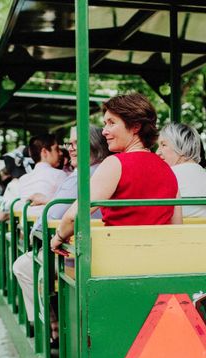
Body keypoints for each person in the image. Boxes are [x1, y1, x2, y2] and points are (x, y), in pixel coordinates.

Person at [12, 126, 110, 339]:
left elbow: (52, 215)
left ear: (91, 146)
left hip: (78, 252)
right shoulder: (108, 170)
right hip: (105, 245)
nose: (70, 149)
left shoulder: (81, 176)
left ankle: (49, 328)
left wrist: (34, 233)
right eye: (69, 144)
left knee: (22, 266)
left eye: (75, 144)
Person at [51, 92, 180, 252]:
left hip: (118, 263)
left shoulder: (115, 164)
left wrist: (58, 238)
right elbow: (177, 226)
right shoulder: (167, 169)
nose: (104, 131)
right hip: (159, 261)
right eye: (105, 124)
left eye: (111, 123)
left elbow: (73, 216)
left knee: (26, 267)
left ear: (135, 127)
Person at [157, 123, 206, 218]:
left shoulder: (170, 174)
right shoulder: (205, 175)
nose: (157, 152)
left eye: (163, 145)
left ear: (181, 146)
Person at [16, 134, 67, 217]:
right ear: (44, 152)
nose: (61, 153)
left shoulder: (23, 179)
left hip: (26, 226)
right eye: (56, 149)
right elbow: (66, 206)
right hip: (48, 226)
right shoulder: (59, 175)